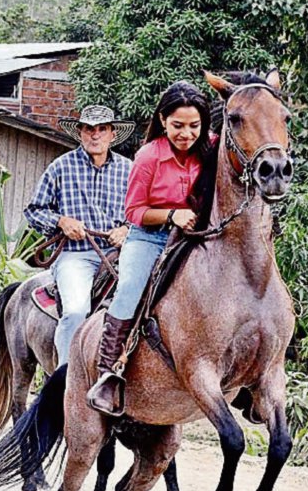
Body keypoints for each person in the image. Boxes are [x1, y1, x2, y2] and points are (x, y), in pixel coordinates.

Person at [88, 81, 214, 415]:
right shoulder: (148, 156)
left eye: (194, 126)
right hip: (148, 237)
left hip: (194, 238)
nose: (186, 134)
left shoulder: (212, 148)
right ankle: (108, 373)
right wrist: (173, 214)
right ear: (162, 120)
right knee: (129, 288)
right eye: (177, 126)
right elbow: (134, 212)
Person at [25, 105, 135, 367]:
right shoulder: (60, 167)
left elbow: (141, 213)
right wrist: (61, 221)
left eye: (102, 129)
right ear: (80, 133)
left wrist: (127, 230)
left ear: (112, 134)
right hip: (76, 255)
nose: (95, 135)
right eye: (89, 129)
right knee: (75, 311)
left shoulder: (130, 170)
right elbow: (34, 211)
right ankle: (66, 378)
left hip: (122, 255)